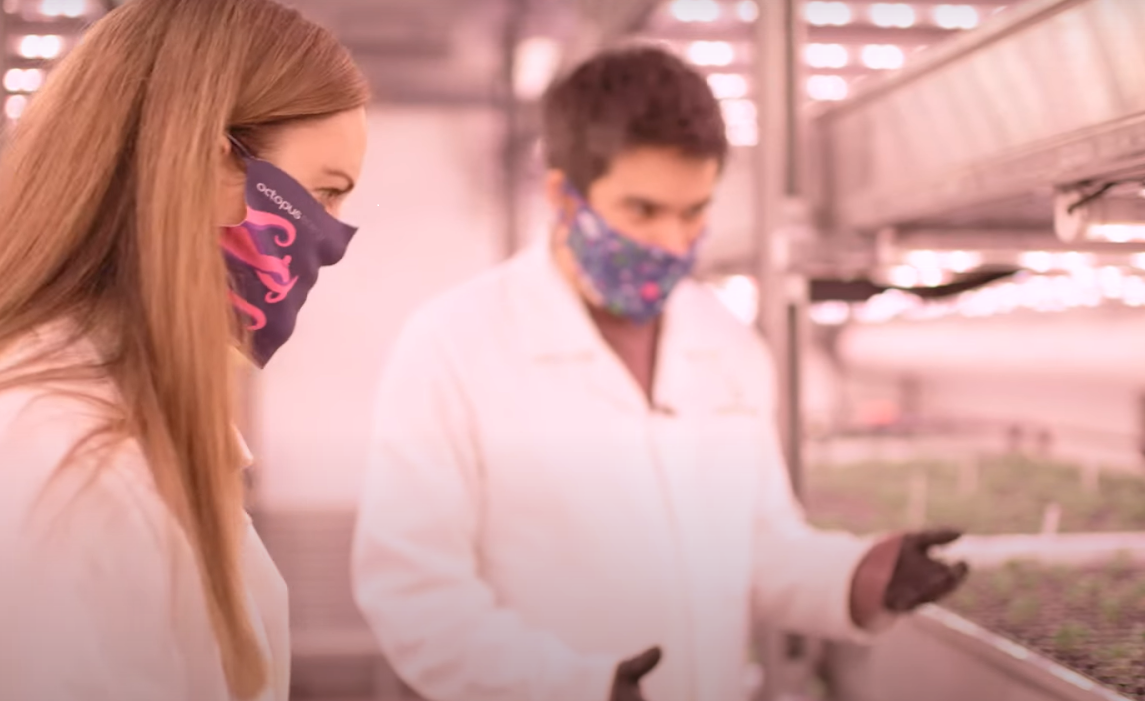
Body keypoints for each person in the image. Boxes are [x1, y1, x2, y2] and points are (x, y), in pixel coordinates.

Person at [352, 45, 968, 701]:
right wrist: (575, 687)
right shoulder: (453, 345)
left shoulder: (728, 346)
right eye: (642, 211)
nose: (674, 242)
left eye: (693, 210)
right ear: (563, 194)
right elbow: (414, 596)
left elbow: (757, 545)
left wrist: (856, 576)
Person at [0, 1, 368, 699]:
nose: (331, 240)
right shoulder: (61, 456)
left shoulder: (127, 424)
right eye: (322, 194)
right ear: (204, 163)